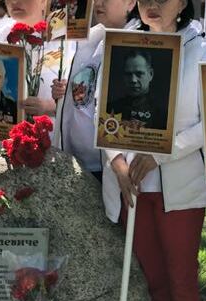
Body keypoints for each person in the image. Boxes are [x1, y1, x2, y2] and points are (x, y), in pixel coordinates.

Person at [103, 0, 206, 301]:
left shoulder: (201, 49)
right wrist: (116, 161)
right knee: (154, 281)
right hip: (134, 187)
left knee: (180, 282)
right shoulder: (121, 44)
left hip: (178, 188)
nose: (153, 4)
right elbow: (104, 110)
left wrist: (160, 153)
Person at [50, 0, 141, 180]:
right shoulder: (90, 36)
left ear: (131, 3)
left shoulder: (141, 42)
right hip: (76, 161)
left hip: (114, 167)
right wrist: (64, 93)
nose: (99, 3)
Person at [107, 49, 168, 129]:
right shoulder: (110, 110)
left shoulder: (163, 115)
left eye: (139, 74)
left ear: (150, 74)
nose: (133, 80)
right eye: (128, 74)